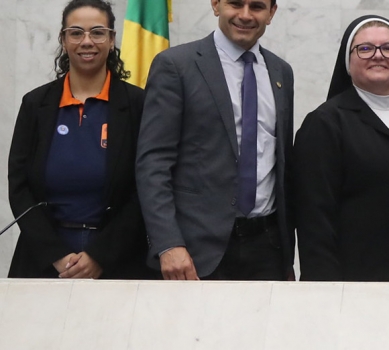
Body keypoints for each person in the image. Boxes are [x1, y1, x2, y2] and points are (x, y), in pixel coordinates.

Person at [136, 0, 295, 280]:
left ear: (271, 13)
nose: (245, 15)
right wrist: (168, 243)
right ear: (216, 5)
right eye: (235, 3)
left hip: (268, 248)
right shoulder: (176, 65)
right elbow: (153, 163)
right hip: (196, 252)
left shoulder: (281, 72)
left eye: (257, 6)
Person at [7, 0, 151, 279]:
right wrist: (55, 255)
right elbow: (19, 186)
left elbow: (146, 186)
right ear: (63, 40)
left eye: (97, 32)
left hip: (118, 261)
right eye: (76, 32)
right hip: (43, 260)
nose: (87, 41)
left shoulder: (138, 104)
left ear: (111, 40)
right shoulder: (36, 104)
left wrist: (100, 256)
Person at [293, 15, 389, 281]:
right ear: (347, 60)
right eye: (365, 48)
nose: (378, 55)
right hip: (352, 280)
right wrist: (324, 287)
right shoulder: (325, 123)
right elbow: (314, 219)